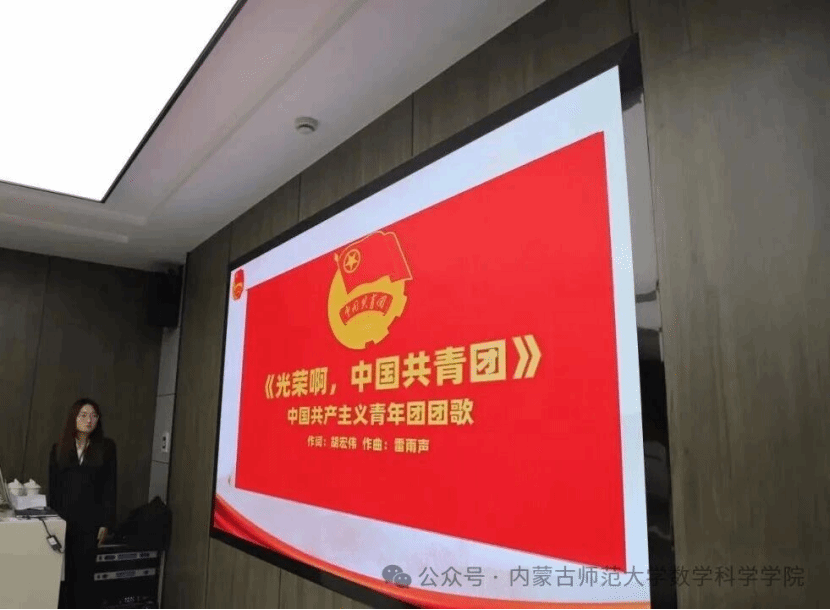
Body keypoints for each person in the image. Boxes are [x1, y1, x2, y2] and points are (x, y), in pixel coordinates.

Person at [48, 398, 117, 609]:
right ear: (74, 417)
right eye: (84, 415)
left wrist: (106, 522)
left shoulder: (106, 447)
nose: (89, 420)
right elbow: (53, 487)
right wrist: (53, 521)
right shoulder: (59, 448)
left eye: (94, 416)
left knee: (84, 576)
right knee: (62, 574)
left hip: (90, 522)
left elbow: (110, 486)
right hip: (64, 520)